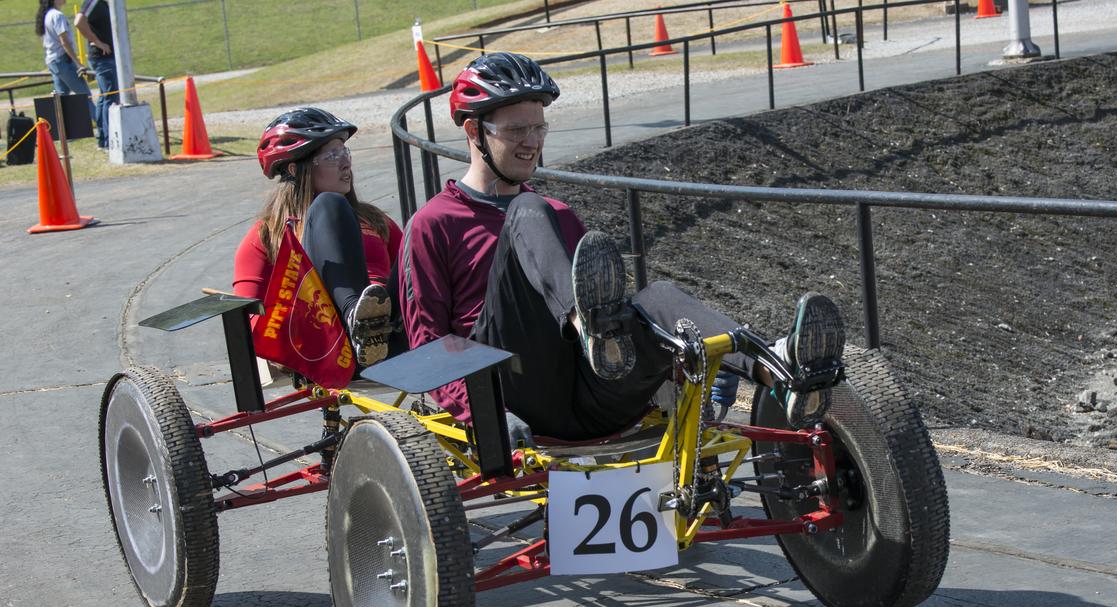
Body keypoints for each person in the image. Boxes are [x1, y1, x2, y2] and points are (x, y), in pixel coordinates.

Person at [399, 52, 844, 442]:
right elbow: (429, 344)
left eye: (540, 127)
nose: (533, 143)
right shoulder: (436, 222)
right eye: (517, 130)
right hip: (511, 387)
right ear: (475, 130)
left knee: (659, 296)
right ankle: (585, 323)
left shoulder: (560, 214)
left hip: (595, 394)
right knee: (529, 209)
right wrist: (483, 416)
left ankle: (778, 369)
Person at [234, 108, 401, 368]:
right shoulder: (266, 235)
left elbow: (411, 270)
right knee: (329, 205)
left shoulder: (375, 220)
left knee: (424, 226)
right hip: (330, 345)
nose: (346, 163)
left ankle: (373, 325)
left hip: (393, 334)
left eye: (345, 152)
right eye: (333, 155)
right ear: (295, 168)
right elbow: (249, 325)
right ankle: (356, 318)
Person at [73, 0, 116, 149]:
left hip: (106, 57)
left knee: (105, 98)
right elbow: (78, 22)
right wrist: (98, 42)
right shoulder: (94, 2)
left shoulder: (103, 3)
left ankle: (104, 139)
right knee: (110, 97)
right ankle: (109, 140)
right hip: (103, 57)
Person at [36, 0, 91, 98]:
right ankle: (92, 114)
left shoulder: (47, 15)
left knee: (61, 100)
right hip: (63, 60)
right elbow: (64, 41)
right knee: (85, 96)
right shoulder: (57, 15)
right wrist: (78, 64)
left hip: (53, 61)